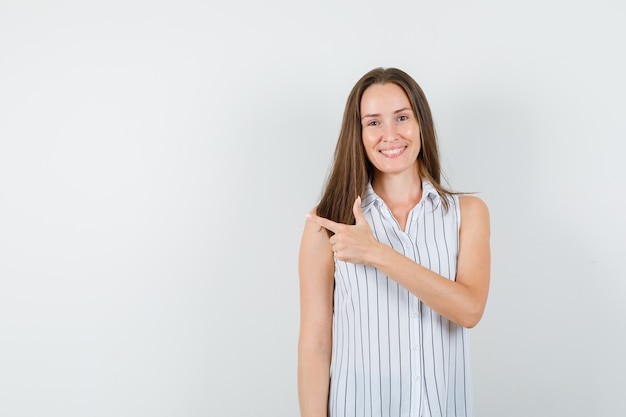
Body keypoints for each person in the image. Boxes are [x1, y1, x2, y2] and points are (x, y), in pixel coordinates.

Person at [297, 67, 490, 417]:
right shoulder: (326, 223)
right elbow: (315, 344)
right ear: (357, 133)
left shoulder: (468, 214)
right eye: (373, 122)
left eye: (402, 117)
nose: (390, 134)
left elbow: (469, 310)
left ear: (420, 124)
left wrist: (377, 253)